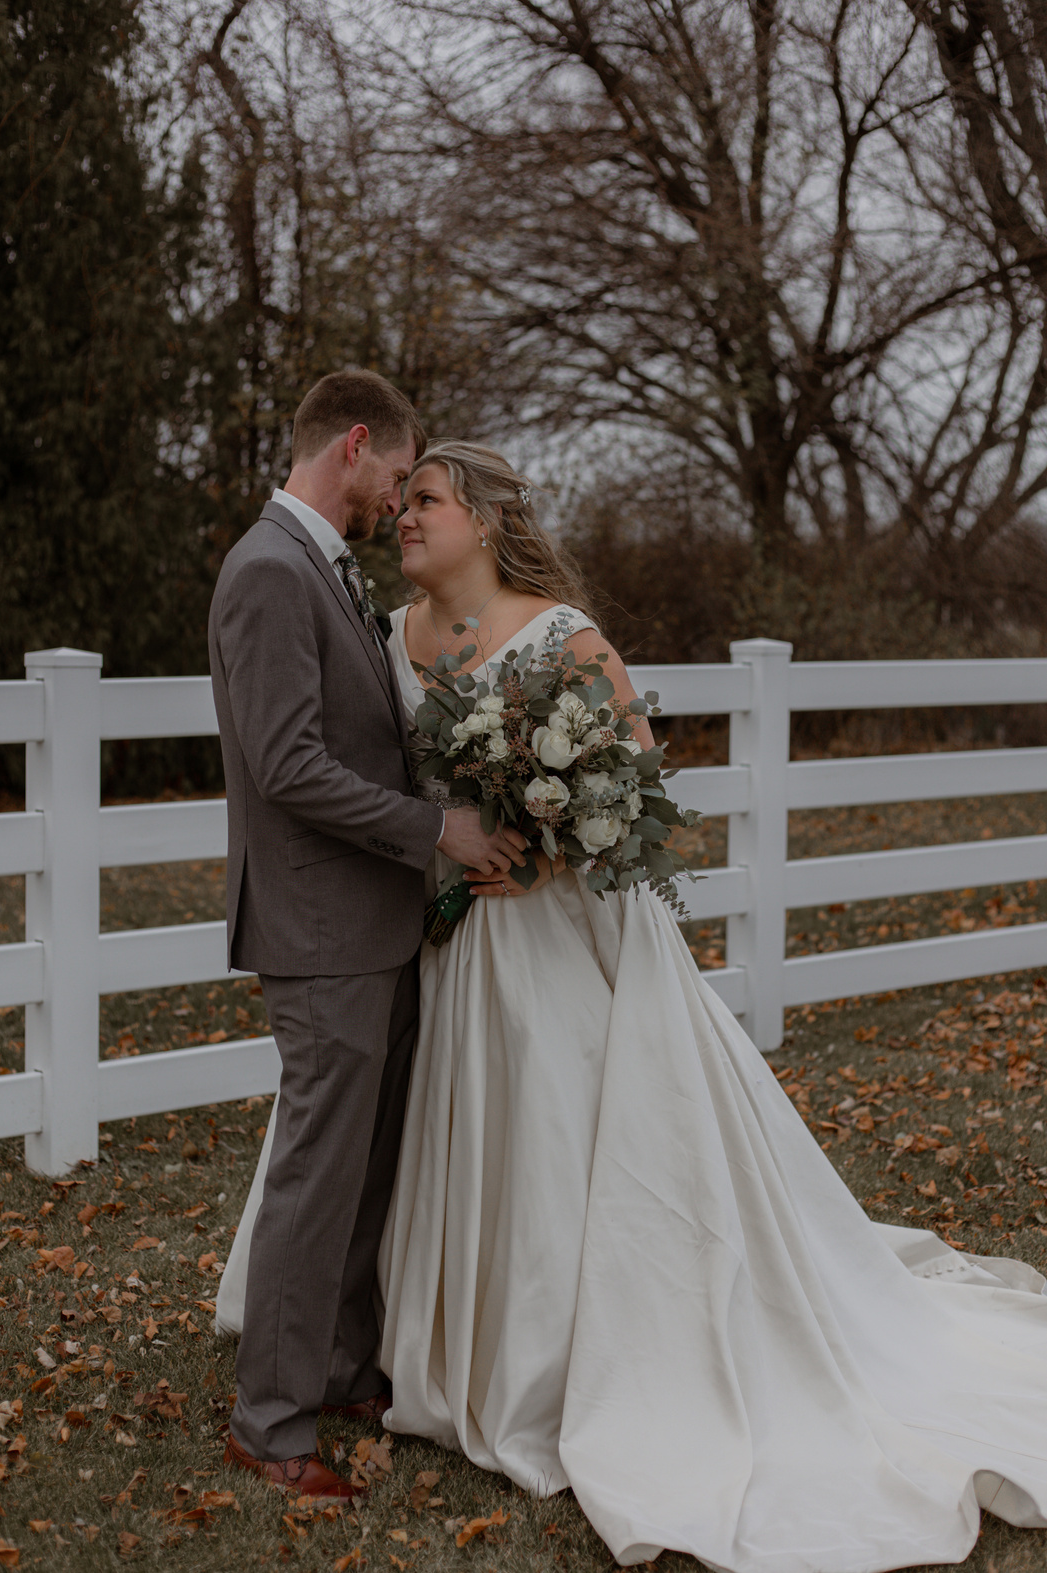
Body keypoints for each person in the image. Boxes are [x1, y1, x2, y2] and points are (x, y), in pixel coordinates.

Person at [219, 440, 1047, 1571]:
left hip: (557, 941)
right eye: (399, 498)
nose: (404, 517)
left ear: (486, 520)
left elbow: (638, 795)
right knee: (447, 1142)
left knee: (565, 1140)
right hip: (448, 945)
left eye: (425, 501)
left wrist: (545, 854)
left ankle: (568, 1364)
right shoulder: (389, 639)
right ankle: (425, 1354)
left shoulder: (564, 635)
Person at [208, 385, 524, 1501]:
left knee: (366, 1161)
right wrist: (436, 827)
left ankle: (337, 1364)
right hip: (318, 924)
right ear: (354, 448)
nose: (397, 498)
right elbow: (288, 766)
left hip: (369, 922)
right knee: (315, 1168)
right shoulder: (266, 571)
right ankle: (272, 1421)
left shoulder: (318, 565)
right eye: (395, 475)